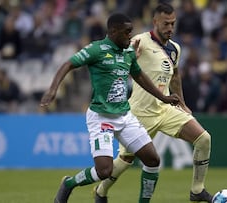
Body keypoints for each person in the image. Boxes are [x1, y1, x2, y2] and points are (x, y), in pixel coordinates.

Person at [40, 13, 180, 203]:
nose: (130, 36)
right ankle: (69, 183)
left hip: (124, 115)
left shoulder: (128, 52)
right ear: (113, 32)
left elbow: (139, 76)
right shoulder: (96, 50)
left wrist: (162, 96)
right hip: (101, 117)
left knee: (153, 160)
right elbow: (68, 64)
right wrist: (53, 89)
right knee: (104, 171)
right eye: (127, 32)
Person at [94, 3, 213, 203]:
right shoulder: (139, 41)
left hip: (165, 109)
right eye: (166, 24)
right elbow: (118, 59)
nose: (170, 28)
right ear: (155, 21)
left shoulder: (175, 48)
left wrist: (182, 104)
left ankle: (197, 189)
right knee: (124, 161)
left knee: (204, 139)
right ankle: (101, 191)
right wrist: (129, 57)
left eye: (173, 24)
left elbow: (175, 76)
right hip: (140, 113)